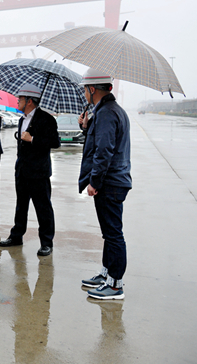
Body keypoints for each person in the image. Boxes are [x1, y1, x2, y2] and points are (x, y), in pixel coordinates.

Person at [78, 68, 131, 300]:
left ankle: (115, 285)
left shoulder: (107, 113)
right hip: (114, 181)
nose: (84, 94)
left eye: (85, 90)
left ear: (92, 89)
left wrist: (94, 181)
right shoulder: (109, 110)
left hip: (110, 183)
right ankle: (107, 274)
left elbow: (104, 151)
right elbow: (100, 142)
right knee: (109, 233)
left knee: (113, 234)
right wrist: (86, 127)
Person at [0, 83, 60, 257]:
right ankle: (16, 236)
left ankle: (46, 242)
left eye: (21, 98)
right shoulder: (22, 120)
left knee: (43, 208)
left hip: (39, 173)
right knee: (21, 206)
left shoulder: (46, 119)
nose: (18, 101)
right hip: (22, 171)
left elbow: (55, 142)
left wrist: (33, 139)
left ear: (30, 101)